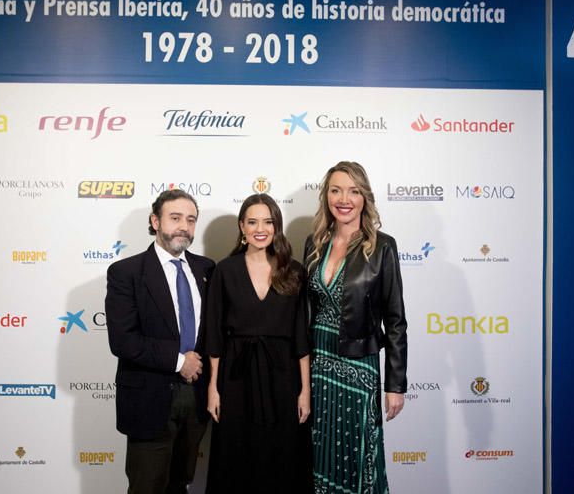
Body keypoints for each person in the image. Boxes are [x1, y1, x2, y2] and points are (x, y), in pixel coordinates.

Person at [305, 161, 407, 494]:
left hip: (359, 366)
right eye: (336, 190)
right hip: (318, 365)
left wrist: (395, 384)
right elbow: (307, 309)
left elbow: (395, 320)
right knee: (321, 452)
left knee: (360, 453)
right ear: (326, 197)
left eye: (353, 191)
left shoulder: (382, 246)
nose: (344, 198)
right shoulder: (314, 243)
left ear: (365, 197)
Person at [105, 189, 215, 494]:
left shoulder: (207, 269)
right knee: (147, 487)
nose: (184, 226)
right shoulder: (126, 273)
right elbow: (123, 341)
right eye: (175, 218)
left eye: (191, 220)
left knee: (180, 484)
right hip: (149, 400)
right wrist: (180, 361)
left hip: (195, 400)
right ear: (155, 221)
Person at [205, 193, 312, 494]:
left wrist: (305, 390)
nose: (260, 228)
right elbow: (214, 334)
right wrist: (214, 388)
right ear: (242, 226)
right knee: (237, 455)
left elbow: (302, 336)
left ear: (277, 226)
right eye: (252, 221)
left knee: (283, 455)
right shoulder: (224, 271)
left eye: (268, 221)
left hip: (284, 376)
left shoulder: (295, 271)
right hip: (236, 377)